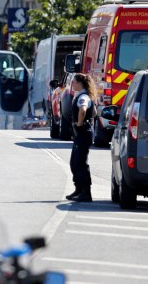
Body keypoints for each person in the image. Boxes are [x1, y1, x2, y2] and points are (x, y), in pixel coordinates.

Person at [65, 73, 97, 202]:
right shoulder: (83, 95)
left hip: (82, 133)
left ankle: (86, 193)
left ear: (79, 83)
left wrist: (79, 123)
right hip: (82, 134)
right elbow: (94, 112)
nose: (72, 84)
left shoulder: (83, 97)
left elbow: (83, 110)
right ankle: (78, 189)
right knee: (74, 162)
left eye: (73, 82)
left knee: (80, 163)